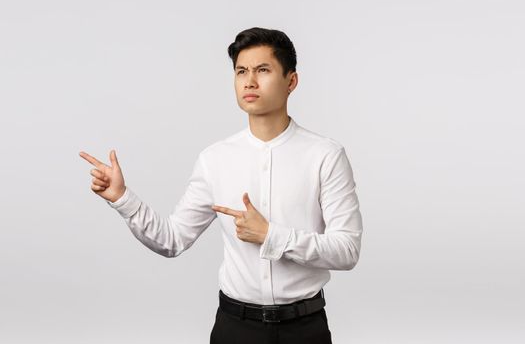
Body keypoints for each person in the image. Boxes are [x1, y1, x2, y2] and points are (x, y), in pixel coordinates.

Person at [79, 27, 363, 344]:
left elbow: (347, 251)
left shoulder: (325, 156)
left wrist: (271, 236)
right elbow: (172, 240)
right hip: (235, 329)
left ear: (291, 81)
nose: (250, 81)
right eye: (241, 71)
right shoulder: (215, 159)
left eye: (263, 70)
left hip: (304, 329)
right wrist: (121, 198)